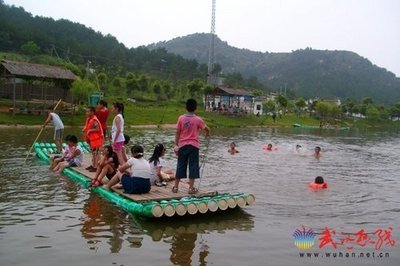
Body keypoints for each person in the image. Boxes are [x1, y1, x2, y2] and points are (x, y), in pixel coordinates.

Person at [173, 99, 210, 194]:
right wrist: (208, 133)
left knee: (180, 165)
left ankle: (176, 187)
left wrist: (175, 145)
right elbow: (206, 128)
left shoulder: (181, 118)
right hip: (193, 146)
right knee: (193, 166)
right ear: (195, 108)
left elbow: (178, 132)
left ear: (186, 107)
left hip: (182, 145)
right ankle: (190, 188)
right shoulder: (198, 119)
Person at [83, 107, 104, 172]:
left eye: (88, 111)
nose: (87, 113)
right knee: (93, 153)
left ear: (92, 112)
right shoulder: (89, 119)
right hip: (92, 139)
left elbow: (97, 128)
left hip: (97, 140)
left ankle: (96, 167)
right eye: (86, 111)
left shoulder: (94, 119)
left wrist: (90, 130)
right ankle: (93, 165)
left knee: (96, 153)